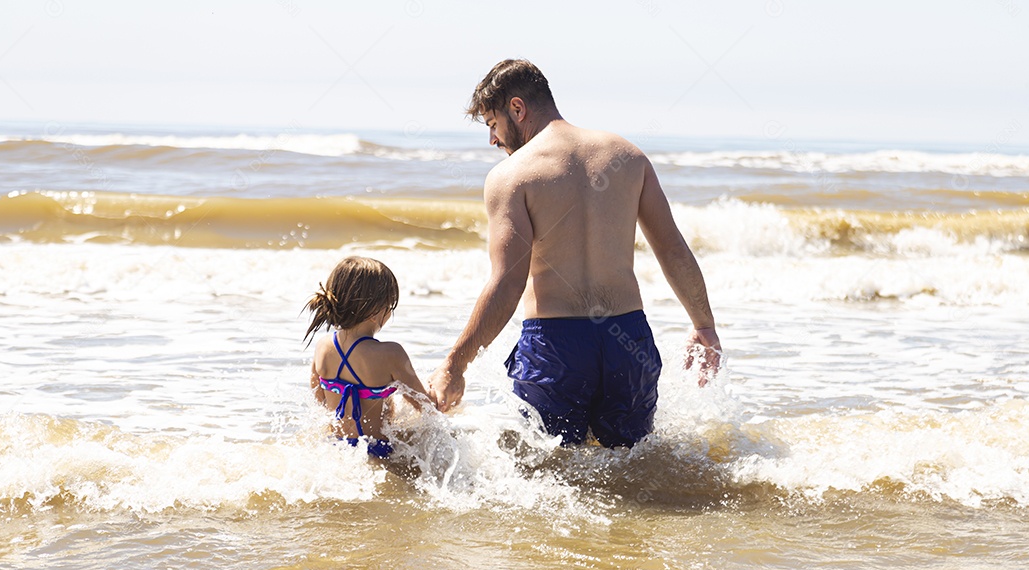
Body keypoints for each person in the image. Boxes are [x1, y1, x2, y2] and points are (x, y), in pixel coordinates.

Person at [427, 59, 721, 448]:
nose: (493, 140)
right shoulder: (628, 156)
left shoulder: (512, 176)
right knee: (634, 472)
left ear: (518, 108)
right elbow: (673, 250)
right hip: (627, 341)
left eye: (493, 125)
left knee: (551, 477)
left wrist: (454, 364)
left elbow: (507, 282)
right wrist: (705, 327)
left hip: (557, 345)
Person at [304, 256, 429, 458]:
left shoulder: (323, 347)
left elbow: (321, 400)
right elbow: (425, 407)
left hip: (337, 447)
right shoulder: (391, 354)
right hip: (377, 451)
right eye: (390, 307)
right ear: (375, 312)